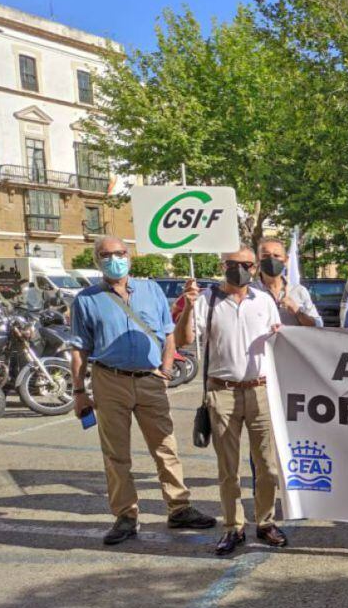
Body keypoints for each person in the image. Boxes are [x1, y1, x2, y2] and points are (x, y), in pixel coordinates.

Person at [70, 236, 215, 545]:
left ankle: (179, 507)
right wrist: (79, 390)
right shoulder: (86, 299)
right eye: (106, 255)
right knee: (116, 453)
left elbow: (168, 334)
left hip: (150, 379)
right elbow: (79, 349)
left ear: (129, 256)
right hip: (109, 380)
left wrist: (164, 371)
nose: (114, 259)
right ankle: (125, 516)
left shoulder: (151, 290)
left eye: (119, 253)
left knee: (165, 446)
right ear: (97, 261)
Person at [175, 246, 287, 556]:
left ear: (255, 268)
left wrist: (278, 335)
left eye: (247, 264)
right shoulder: (208, 301)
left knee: (266, 466)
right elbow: (185, 340)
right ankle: (233, 527)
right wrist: (188, 306)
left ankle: (265, 522)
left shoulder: (264, 300)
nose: (241, 269)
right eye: (234, 264)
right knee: (228, 467)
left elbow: (278, 339)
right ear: (223, 265)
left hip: (260, 390)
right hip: (221, 391)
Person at [253, 237, 322, 327]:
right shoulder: (250, 291)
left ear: (286, 260)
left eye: (276, 256)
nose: (271, 259)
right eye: (266, 256)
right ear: (258, 260)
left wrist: (297, 312)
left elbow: (317, 325)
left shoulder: (299, 291)